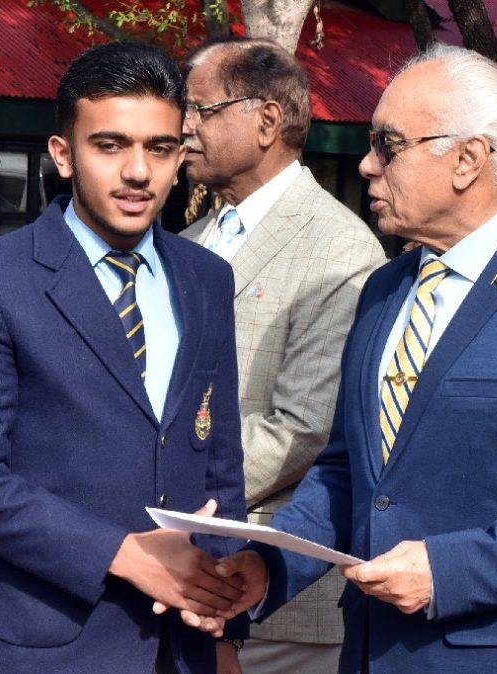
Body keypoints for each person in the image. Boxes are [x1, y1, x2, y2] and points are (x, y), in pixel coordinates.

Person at [199, 42, 497, 673]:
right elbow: (347, 472)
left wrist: (450, 571)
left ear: (468, 159)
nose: (366, 165)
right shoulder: (385, 289)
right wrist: (271, 566)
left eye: (388, 144)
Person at [0, 41, 248, 674]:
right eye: (110, 145)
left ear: (180, 157)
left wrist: (224, 627)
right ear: (63, 154)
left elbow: (219, 464)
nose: (138, 171)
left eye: (159, 148)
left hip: (186, 647)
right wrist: (121, 554)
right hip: (52, 645)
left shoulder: (207, 277)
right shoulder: (6, 279)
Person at [180, 36, 386, 673]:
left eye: (201, 109)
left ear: (267, 120)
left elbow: (304, 427)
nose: (184, 127)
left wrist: (166, 484)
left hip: (279, 598)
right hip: (185, 575)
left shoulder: (339, 248)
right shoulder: (190, 237)